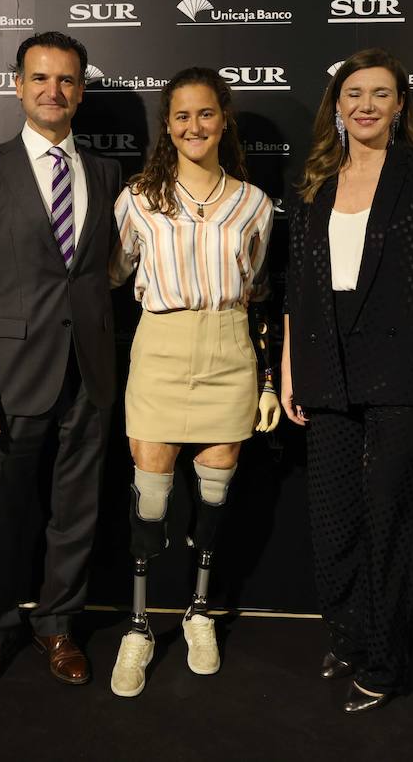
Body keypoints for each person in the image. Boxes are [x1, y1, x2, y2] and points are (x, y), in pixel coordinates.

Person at [281, 48, 413, 713]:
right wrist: (287, 372)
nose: (365, 104)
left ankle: (387, 662)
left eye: (381, 94)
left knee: (389, 523)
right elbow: (294, 290)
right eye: (353, 93)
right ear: (335, 106)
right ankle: (348, 635)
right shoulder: (312, 181)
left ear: (400, 106)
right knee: (332, 521)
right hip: (323, 373)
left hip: (404, 375)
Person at [0, 31, 122, 696]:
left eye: (67, 80)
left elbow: (105, 273)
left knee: (75, 509)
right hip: (8, 378)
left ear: (80, 90)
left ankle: (58, 624)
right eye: (41, 78)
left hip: (90, 372)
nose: (54, 90)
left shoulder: (105, 172)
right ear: (17, 85)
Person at [106, 68, 280, 698]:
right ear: (168, 125)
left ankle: (199, 612)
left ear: (223, 119)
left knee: (214, 496)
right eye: (181, 116)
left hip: (228, 346)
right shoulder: (136, 200)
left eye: (206, 114)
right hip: (160, 348)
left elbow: (258, 290)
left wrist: (265, 378)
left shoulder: (255, 204)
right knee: (149, 499)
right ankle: (138, 625)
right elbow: (117, 273)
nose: (194, 127)